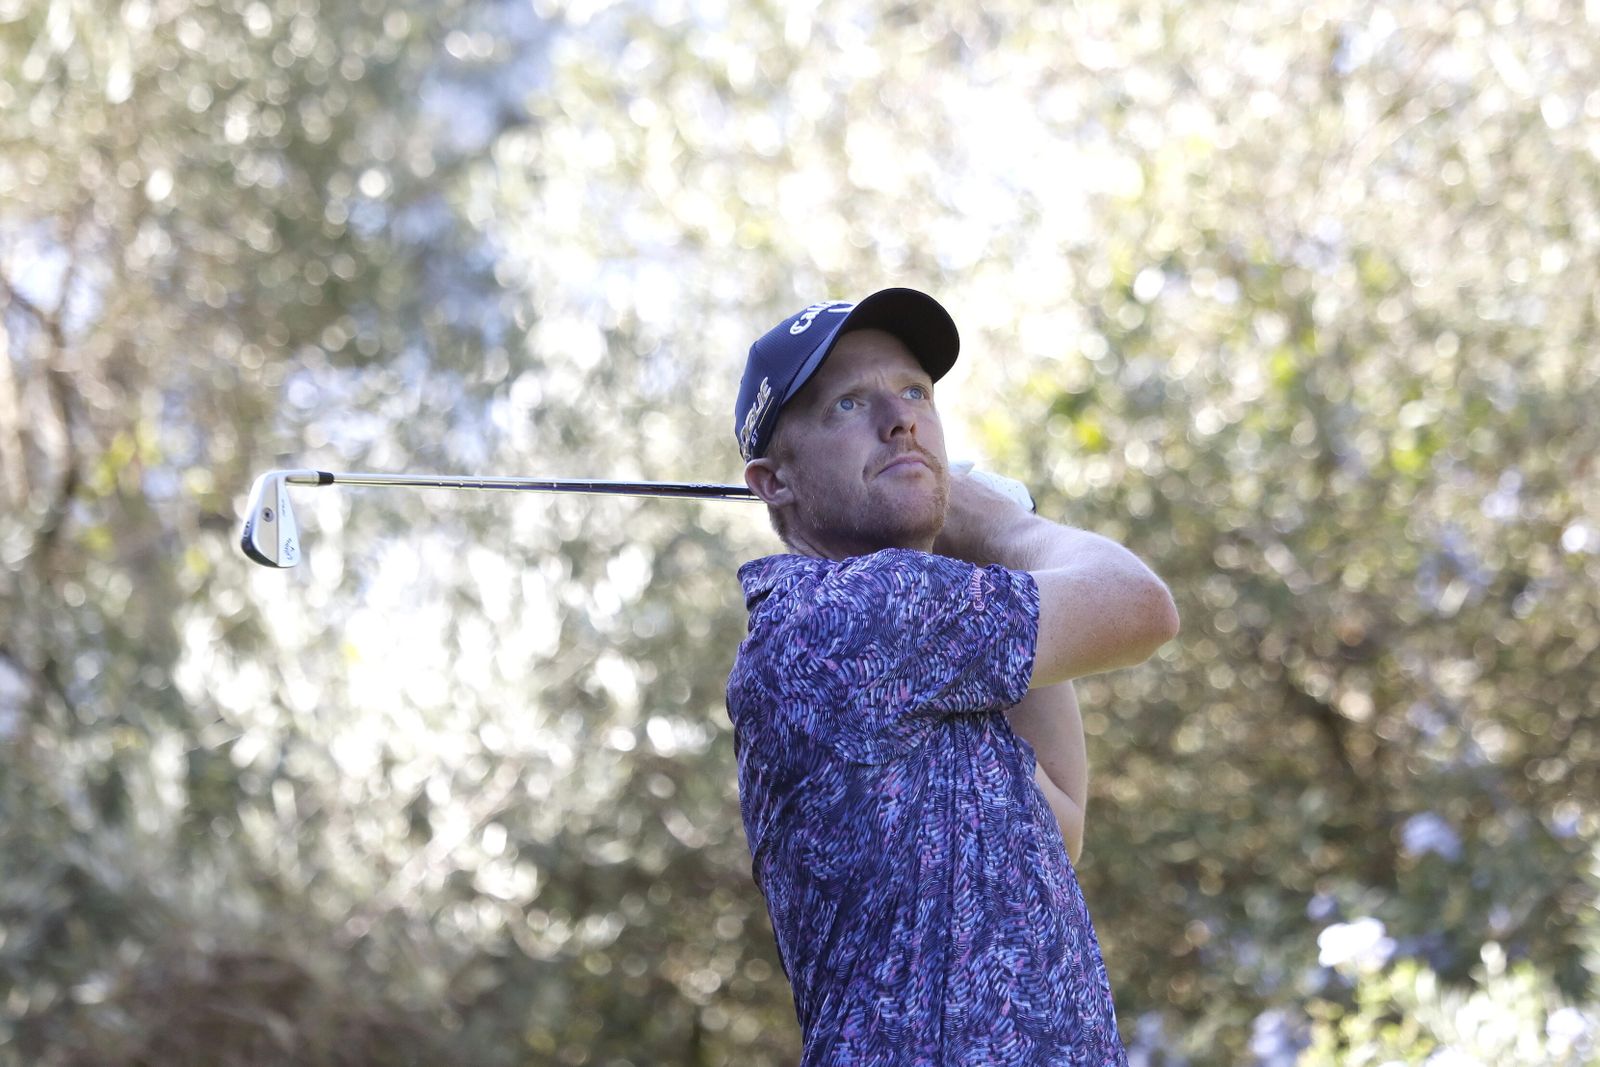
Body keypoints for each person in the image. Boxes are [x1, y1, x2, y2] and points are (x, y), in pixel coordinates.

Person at [725, 288, 1180, 1065]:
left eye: (914, 392)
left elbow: (1061, 816)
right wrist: (1003, 525)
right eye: (847, 405)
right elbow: (1141, 606)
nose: (900, 420)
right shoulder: (850, 613)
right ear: (774, 482)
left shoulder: (923, 669)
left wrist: (977, 545)